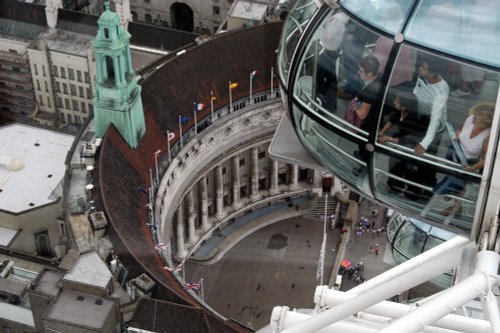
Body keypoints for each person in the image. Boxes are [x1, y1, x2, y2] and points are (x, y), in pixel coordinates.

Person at [434, 103, 494, 216]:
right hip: (454, 152)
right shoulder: (471, 118)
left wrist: (472, 169)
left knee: (458, 187)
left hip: (468, 163)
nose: (473, 119)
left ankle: (456, 207)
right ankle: (454, 198)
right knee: (451, 180)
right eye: (475, 116)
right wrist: (459, 133)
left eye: (477, 118)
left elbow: (486, 159)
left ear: (486, 123)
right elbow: (462, 127)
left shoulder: (489, 135)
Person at [316, 11, 349, 111]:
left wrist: (324, 26)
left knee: (322, 77)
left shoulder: (336, 20)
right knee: (330, 77)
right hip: (335, 49)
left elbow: (328, 35)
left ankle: (323, 102)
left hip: (328, 51)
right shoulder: (343, 17)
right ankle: (331, 104)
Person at [344, 55, 381, 132]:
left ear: (370, 74)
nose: (358, 72)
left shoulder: (368, 92)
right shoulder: (379, 78)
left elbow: (362, 115)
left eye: (361, 71)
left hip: (367, 126)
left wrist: (354, 106)